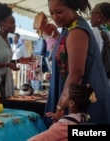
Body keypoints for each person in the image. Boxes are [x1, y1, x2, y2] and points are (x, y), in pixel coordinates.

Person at [43, 0, 110, 128]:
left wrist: (60, 107)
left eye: (59, 12)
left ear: (72, 7)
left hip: (80, 102)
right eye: (51, 12)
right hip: (74, 98)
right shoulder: (69, 28)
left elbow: (76, 75)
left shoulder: (76, 31)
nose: (54, 16)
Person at [0, 2, 35, 98]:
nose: (14, 26)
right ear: (2, 23)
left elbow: (3, 60)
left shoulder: (6, 39)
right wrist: (7, 65)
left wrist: (19, 61)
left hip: (5, 81)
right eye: (12, 23)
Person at [28, 84, 96, 141]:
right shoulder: (83, 118)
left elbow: (38, 139)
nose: (62, 97)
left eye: (64, 95)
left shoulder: (63, 125)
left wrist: (60, 123)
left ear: (71, 103)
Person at [90, 2, 110, 85]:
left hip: (101, 80)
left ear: (100, 16)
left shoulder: (94, 32)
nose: (90, 17)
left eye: (92, 13)